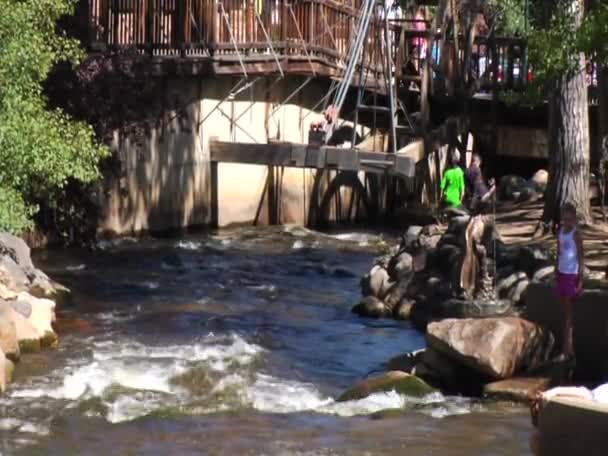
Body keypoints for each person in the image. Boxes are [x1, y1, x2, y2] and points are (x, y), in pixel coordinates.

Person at [555, 202, 584, 366]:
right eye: (564, 217)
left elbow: (581, 255)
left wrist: (581, 276)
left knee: (569, 314)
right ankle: (568, 348)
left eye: (569, 217)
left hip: (572, 274)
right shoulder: (560, 232)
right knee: (565, 312)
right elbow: (559, 253)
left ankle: (567, 350)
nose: (566, 220)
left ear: (573, 218)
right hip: (562, 272)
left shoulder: (576, 234)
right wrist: (555, 271)